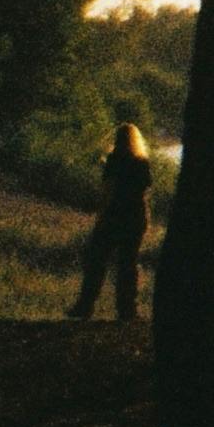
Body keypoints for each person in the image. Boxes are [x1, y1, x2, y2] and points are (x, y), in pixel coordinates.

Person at [69, 115, 154, 324]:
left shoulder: (114, 160)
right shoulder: (142, 163)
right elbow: (145, 191)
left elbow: (108, 191)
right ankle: (127, 310)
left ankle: (85, 306)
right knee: (128, 263)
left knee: (97, 261)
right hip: (136, 217)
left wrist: (101, 215)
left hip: (114, 216)